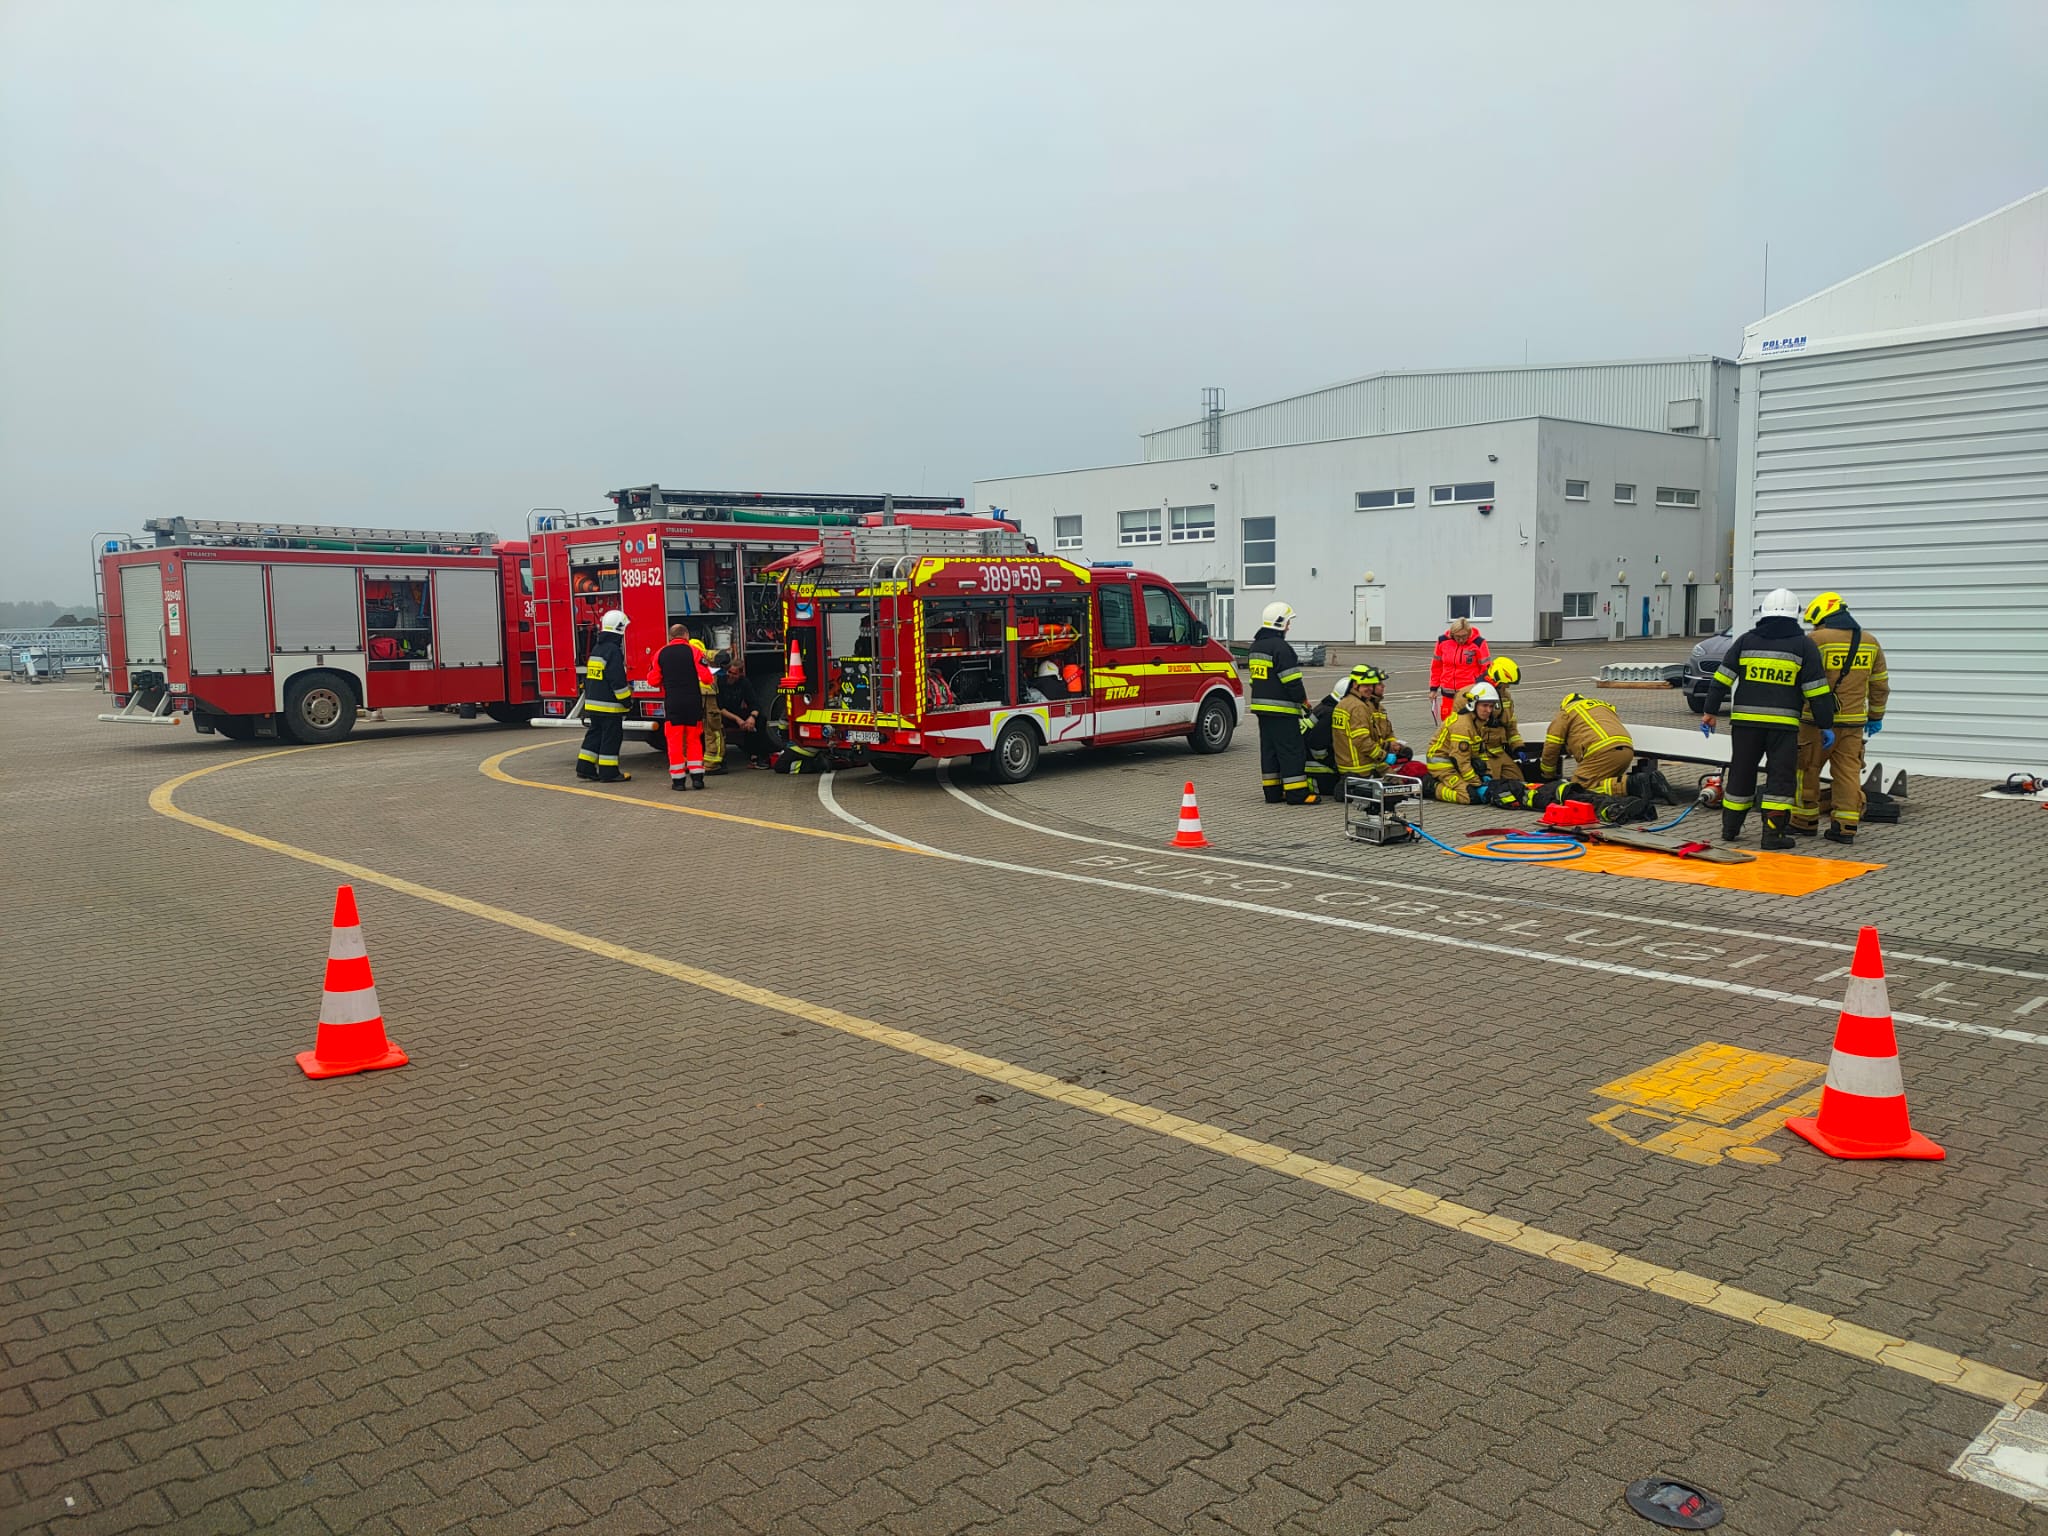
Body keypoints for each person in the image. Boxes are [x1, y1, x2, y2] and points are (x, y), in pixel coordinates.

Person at [1703, 588, 1835, 850]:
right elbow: (1817, 692)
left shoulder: (1745, 641)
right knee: (1780, 779)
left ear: (1763, 612)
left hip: (1745, 725)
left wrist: (1710, 712)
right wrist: (1825, 724)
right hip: (1783, 727)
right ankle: (1772, 836)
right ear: (1796, 614)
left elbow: (1721, 679)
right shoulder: (1804, 646)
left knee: (1741, 772)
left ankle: (1730, 829)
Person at [1792, 591, 1889, 845]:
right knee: (1848, 774)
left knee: (1806, 769)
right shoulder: (1869, 641)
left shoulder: (1816, 640)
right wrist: (1875, 715)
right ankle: (1845, 826)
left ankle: (1803, 821)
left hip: (1815, 722)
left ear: (1822, 616)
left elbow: (1800, 679)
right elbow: (1879, 685)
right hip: (1853, 724)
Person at [1247, 601, 1316, 804]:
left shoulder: (1256, 646)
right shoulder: (1281, 648)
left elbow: (1254, 680)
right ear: (1280, 623)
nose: (1289, 627)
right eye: (1288, 622)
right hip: (1283, 710)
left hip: (1261, 709)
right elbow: (1292, 681)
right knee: (1291, 751)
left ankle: (1273, 792)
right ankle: (1297, 794)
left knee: (1269, 751)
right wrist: (1303, 701)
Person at [1424, 681, 1527, 805]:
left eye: (1491, 706)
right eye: (1485, 706)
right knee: (1470, 796)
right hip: (1442, 765)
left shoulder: (1478, 721)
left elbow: (1480, 751)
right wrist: (1477, 783)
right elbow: (1460, 760)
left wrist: (1486, 774)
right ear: (1473, 704)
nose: (1488, 710)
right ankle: (1432, 787)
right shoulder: (1463, 725)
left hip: (1455, 762)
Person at [1538, 691, 1634, 797]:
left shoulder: (1566, 711)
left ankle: (1631, 787)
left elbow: (1552, 745)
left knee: (1576, 789)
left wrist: (1548, 774)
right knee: (1603, 785)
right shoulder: (1602, 706)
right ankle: (1629, 788)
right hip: (1627, 749)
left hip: (1601, 751)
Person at [577, 609, 633, 782]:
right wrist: (627, 701)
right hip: (609, 706)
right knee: (611, 738)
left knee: (594, 735)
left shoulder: (597, 648)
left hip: (593, 704)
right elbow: (617, 680)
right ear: (620, 629)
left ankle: (585, 767)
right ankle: (609, 773)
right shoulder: (613, 651)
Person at [648, 623, 705, 791]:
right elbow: (707, 677)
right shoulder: (694, 651)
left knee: (674, 742)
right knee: (694, 740)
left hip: (673, 703)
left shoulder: (660, 653)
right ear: (686, 635)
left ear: (670, 637)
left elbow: (653, 681)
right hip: (693, 702)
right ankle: (697, 779)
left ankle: (678, 782)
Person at [1332, 666, 1403, 777]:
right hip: (1361, 768)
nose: (1369, 688)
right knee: (1400, 781)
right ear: (1355, 684)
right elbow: (1362, 741)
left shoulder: (1344, 703)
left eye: (1371, 685)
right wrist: (1383, 756)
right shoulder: (1358, 707)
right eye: (1365, 685)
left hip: (1347, 766)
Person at [1429, 615, 1490, 722]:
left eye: (1464, 636)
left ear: (1469, 633)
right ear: (1452, 634)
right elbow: (1436, 667)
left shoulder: (1479, 643)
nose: (1461, 640)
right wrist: (1433, 689)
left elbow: (1486, 669)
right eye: (1458, 637)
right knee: (1448, 723)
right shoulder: (1442, 641)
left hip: (1468, 694)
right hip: (1448, 693)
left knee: (1467, 723)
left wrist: (1483, 689)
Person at [718, 652, 772, 766]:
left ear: (740, 674)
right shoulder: (720, 682)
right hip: (724, 714)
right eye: (729, 672)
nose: (731, 676)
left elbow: (754, 703)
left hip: (736, 711)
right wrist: (738, 719)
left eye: (734, 674)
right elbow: (720, 707)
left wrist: (752, 717)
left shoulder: (744, 683)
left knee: (760, 719)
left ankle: (756, 755)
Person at [693, 640, 725, 771]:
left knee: (690, 729)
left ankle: (689, 762)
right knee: (713, 728)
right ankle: (712, 763)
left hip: (688, 695)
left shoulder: (677, 653)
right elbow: (723, 657)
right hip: (708, 695)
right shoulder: (702, 652)